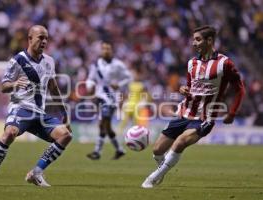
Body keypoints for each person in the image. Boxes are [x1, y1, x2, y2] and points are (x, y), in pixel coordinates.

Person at [141, 25, 245, 188]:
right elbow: (190, 86)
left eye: (197, 39)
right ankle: (162, 171)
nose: (193, 43)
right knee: (157, 150)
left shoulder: (224, 63)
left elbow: (239, 88)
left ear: (209, 40)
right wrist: (183, 89)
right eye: (193, 39)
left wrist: (232, 112)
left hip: (205, 116)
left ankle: (153, 178)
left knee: (180, 142)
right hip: (184, 112)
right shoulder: (192, 63)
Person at [0, 25, 72, 187]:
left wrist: (63, 111)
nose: (44, 41)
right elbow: (3, 87)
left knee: (65, 135)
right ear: (30, 39)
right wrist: (15, 83)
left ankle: (36, 173)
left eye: (46, 38)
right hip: (20, 108)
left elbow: (53, 87)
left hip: (39, 113)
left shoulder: (49, 61)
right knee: (10, 133)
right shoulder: (17, 60)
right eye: (40, 37)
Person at [86, 41, 132, 160]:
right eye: (104, 49)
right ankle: (119, 150)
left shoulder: (118, 64)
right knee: (106, 126)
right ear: (101, 51)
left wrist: (120, 84)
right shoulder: (95, 65)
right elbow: (91, 78)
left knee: (103, 123)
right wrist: (89, 86)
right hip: (100, 97)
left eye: (108, 49)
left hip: (111, 99)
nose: (106, 51)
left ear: (112, 50)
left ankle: (97, 151)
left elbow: (129, 77)